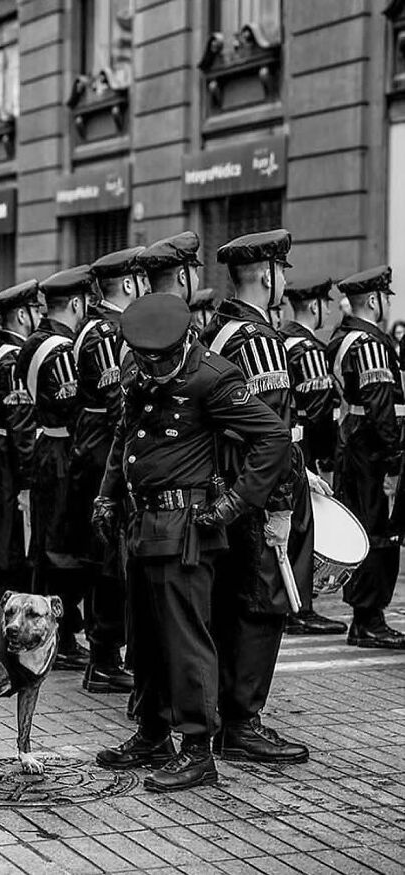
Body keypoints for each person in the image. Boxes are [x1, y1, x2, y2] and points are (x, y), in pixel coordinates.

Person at [93, 294, 294, 791]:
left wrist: (236, 505)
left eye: (159, 359)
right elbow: (124, 435)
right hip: (141, 523)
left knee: (186, 641)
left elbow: (274, 437)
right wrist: (106, 496)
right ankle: (152, 732)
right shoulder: (136, 369)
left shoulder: (214, 375)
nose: (151, 369)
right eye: (143, 358)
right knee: (145, 637)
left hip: (188, 527)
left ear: (182, 343)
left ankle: (199, 749)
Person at [201, 229, 310, 763]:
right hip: (257, 493)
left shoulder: (217, 330)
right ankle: (244, 721)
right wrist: (283, 504)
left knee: (229, 602)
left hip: (226, 487)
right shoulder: (261, 339)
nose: (284, 282)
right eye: (282, 272)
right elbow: (274, 431)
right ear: (266, 275)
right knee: (262, 604)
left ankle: (225, 712)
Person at [72, 247, 147, 693]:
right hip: (107, 457)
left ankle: (106, 653)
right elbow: (121, 404)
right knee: (109, 564)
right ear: (130, 284)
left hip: (102, 453)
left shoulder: (103, 329)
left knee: (113, 562)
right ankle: (103, 658)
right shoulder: (106, 334)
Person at [15, 265, 93, 670]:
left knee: (48, 544)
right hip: (62, 450)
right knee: (61, 548)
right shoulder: (60, 349)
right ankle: (57, 640)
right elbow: (72, 405)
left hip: (46, 445)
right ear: (77, 302)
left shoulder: (32, 342)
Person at [327, 266, 405, 649]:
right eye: (386, 297)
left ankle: (363, 618)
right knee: (381, 533)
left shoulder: (343, 337)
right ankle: (370, 620)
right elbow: (381, 407)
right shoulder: (370, 343)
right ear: (374, 300)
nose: (387, 303)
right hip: (372, 451)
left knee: (365, 528)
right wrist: (394, 458)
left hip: (353, 444)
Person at [281, 277, 346, 636]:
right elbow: (319, 412)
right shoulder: (308, 348)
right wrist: (323, 458)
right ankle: (300, 608)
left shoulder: (282, 339)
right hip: (300, 446)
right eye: (326, 303)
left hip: (281, 444)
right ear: (316, 306)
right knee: (302, 528)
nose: (330, 309)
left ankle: (290, 602)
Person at [0, 280, 42, 594]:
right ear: (22, 315)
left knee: (3, 529)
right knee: (13, 536)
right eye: (34, 309)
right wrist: (27, 480)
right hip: (11, 457)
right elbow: (21, 426)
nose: (37, 315)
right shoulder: (12, 360)